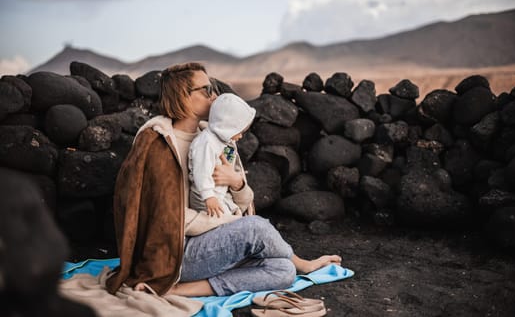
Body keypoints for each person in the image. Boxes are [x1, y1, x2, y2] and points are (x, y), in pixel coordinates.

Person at [105, 62, 341, 297]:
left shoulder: (214, 138)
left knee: (283, 271)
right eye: (207, 90)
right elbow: (164, 219)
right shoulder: (160, 144)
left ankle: (180, 291)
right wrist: (229, 223)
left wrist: (236, 182)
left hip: (215, 244)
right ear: (183, 97)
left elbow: (240, 202)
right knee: (257, 228)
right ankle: (304, 264)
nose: (215, 96)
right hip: (177, 253)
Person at [188, 93, 256, 218]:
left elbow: (231, 167)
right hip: (204, 197)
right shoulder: (206, 142)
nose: (240, 136)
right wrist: (208, 196)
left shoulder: (224, 142)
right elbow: (201, 172)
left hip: (218, 194)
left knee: (234, 218)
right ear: (227, 126)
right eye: (239, 132)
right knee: (227, 222)